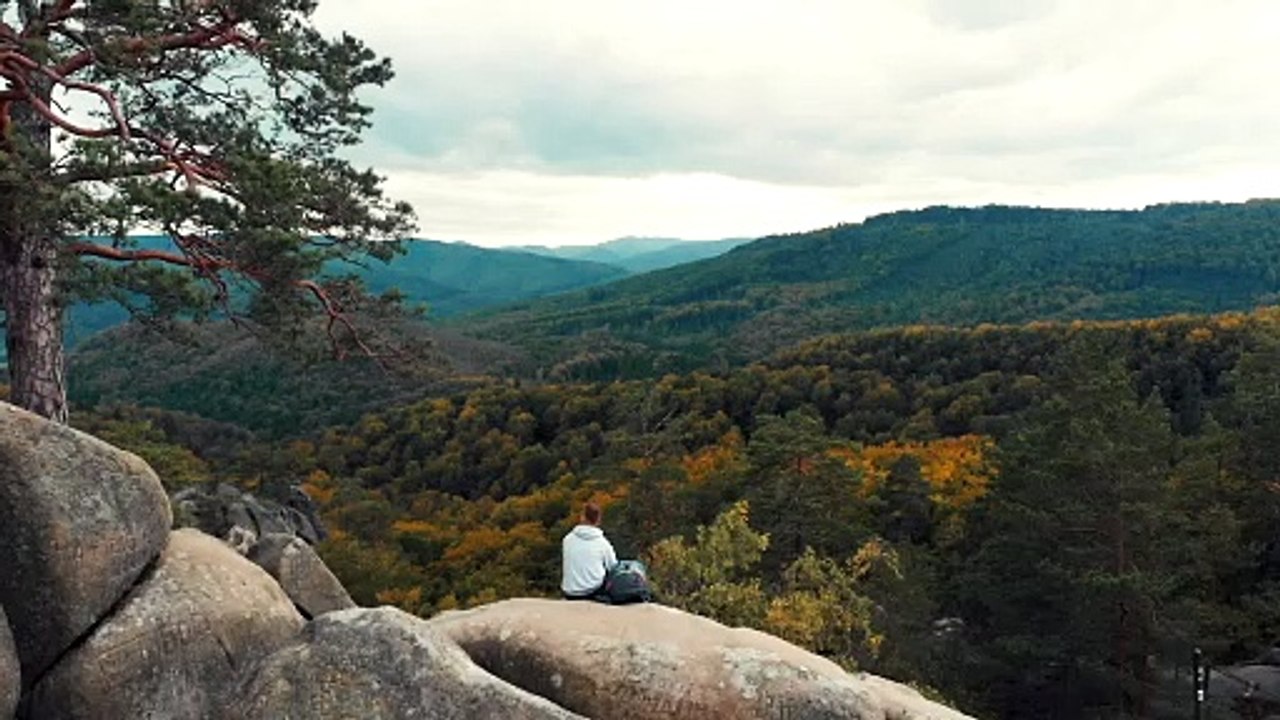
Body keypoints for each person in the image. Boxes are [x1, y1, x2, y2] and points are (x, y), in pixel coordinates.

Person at [561, 500, 618, 601]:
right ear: (598, 520)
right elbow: (613, 567)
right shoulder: (603, 543)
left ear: (582, 517)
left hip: (569, 592)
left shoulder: (567, 539)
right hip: (592, 592)